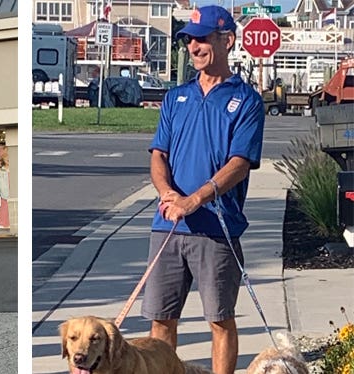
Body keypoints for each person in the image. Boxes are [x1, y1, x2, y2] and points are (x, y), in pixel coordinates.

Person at [141, 5, 264, 374]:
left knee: (220, 320)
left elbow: (239, 164)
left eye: (202, 39)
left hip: (216, 228)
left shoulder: (246, 101)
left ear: (227, 40)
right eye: (189, 40)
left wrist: (195, 200)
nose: (194, 47)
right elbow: (158, 156)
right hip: (169, 225)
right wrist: (167, 194)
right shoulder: (175, 98)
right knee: (161, 320)